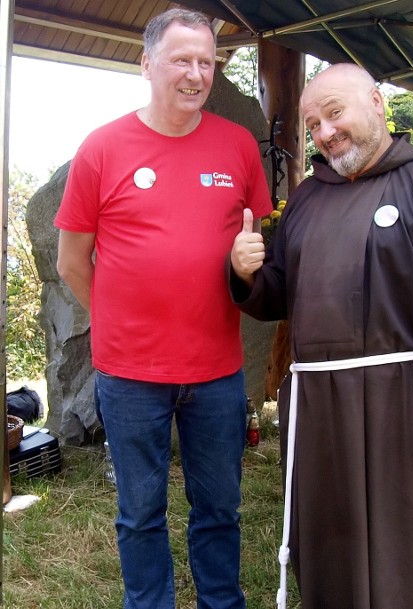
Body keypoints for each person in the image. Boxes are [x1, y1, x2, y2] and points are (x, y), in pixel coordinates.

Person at [229, 63, 413, 609]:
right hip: (321, 411)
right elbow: (282, 292)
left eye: (334, 114)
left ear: (376, 103)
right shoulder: (307, 199)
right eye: (313, 126)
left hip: (409, 406)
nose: (325, 133)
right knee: (332, 544)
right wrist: (247, 272)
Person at [55, 8, 271, 608]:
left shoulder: (236, 146)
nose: (196, 74)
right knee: (140, 513)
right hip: (129, 376)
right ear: (147, 63)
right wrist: (120, 321)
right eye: (181, 59)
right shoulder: (102, 147)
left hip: (217, 371)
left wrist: (244, 262)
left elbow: (253, 240)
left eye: (206, 61)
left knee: (219, 510)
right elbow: (73, 260)